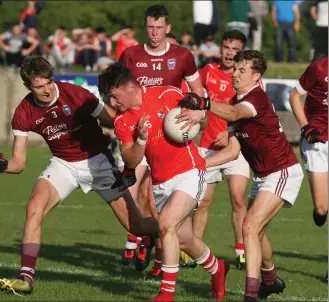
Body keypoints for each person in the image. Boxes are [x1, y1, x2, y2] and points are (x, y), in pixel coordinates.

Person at [0, 55, 159, 297]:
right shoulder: (24, 112)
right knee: (34, 208)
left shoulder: (76, 95)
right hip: (63, 165)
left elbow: (115, 121)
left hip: (99, 163)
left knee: (138, 226)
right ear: (28, 87)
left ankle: (172, 234)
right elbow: (19, 163)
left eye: (49, 81)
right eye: (39, 86)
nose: (47, 89)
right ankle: (25, 278)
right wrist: (2, 165)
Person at [99, 62, 230, 302]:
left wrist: (200, 115)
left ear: (129, 86)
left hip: (190, 170)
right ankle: (217, 269)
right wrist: (140, 140)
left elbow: (205, 122)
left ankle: (165, 295)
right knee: (184, 239)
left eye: (115, 97)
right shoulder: (122, 121)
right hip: (161, 182)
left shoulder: (166, 93)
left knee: (167, 225)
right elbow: (130, 160)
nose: (114, 104)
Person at [206, 50, 303, 301]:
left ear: (256, 75)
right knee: (256, 232)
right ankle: (270, 280)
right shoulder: (234, 102)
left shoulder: (256, 98)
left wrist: (205, 103)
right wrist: (199, 163)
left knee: (248, 225)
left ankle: (251, 294)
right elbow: (232, 151)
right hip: (263, 175)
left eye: (242, 70)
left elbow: (236, 115)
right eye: (235, 69)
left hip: (282, 171)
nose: (235, 74)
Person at [118, 4, 204, 275]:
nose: (154, 33)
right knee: (134, 194)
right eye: (150, 27)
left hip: (170, 135)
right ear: (145, 28)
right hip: (139, 132)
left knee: (157, 198)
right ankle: (143, 239)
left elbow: (198, 94)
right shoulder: (130, 55)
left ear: (168, 28)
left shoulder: (182, 55)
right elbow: (120, 91)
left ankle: (152, 252)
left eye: (159, 28)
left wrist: (195, 112)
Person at [194, 30, 250, 270]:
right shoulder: (207, 73)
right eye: (226, 47)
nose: (229, 52)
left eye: (235, 49)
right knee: (202, 202)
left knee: (238, 199)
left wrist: (229, 133)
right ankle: (194, 250)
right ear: (220, 49)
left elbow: (252, 115)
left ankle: (241, 250)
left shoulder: (248, 79)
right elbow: (195, 100)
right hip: (207, 147)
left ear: (242, 53)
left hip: (236, 147)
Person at [289, 56, 328, 279]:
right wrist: (305, 127)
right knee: (322, 208)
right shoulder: (319, 67)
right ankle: (320, 211)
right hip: (317, 141)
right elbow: (295, 96)